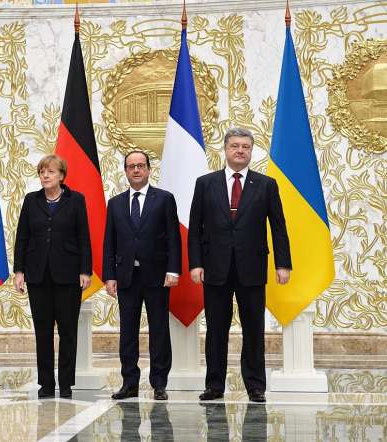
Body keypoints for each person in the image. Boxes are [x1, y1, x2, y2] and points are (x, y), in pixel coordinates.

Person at [189, 127, 292, 403]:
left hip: (252, 267)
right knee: (216, 330)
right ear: (225, 149)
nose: (240, 151)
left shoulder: (266, 185)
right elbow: (195, 228)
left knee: (254, 329)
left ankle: (256, 386)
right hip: (215, 268)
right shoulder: (205, 183)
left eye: (245, 147)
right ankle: (214, 385)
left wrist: (283, 263)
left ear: (251, 151)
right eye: (235, 146)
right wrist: (195, 264)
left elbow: (278, 227)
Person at [102, 150, 181, 401]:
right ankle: (129, 383)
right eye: (131, 166)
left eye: (140, 166)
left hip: (157, 276)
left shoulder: (164, 199)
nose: (136, 170)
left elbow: (173, 238)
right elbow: (109, 242)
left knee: (159, 330)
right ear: (125, 171)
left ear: (148, 169)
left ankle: (159, 383)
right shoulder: (115, 203)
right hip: (126, 276)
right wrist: (109, 275)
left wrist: (173, 270)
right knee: (128, 332)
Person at [13, 154, 92, 399]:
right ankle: (46, 384)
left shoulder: (76, 200)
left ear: (61, 175)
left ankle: (66, 383)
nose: (45, 176)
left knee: (68, 331)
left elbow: (83, 237)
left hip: (68, 275)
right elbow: (22, 237)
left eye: (50, 172)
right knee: (43, 331)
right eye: (42, 172)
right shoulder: (31, 200)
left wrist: (85, 270)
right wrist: (19, 271)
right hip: (38, 275)